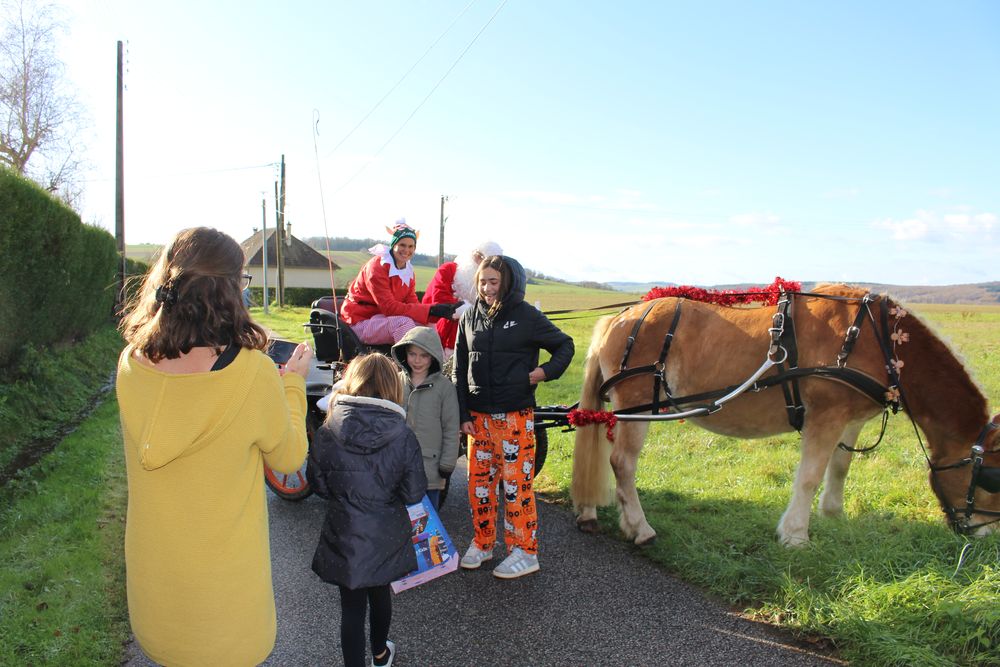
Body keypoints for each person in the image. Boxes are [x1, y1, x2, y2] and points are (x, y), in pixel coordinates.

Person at [116, 227, 313, 666]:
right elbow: (289, 457)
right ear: (228, 291)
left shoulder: (130, 363)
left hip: (156, 597)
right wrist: (294, 384)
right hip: (227, 612)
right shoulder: (254, 374)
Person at [454, 255, 574, 579]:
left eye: (494, 282)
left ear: (509, 284)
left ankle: (525, 551)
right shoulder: (468, 318)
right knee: (478, 485)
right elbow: (459, 369)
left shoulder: (527, 317)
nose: (487, 288)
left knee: (515, 488)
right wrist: (463, 413)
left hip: (514, 417)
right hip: (477, 420)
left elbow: (565, 345)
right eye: (483, 281)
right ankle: (483, 543)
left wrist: (544, 372)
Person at [307, 353, 427, 667]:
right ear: (393, 388)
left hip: (344, 531)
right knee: (380, 593)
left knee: (351, 606)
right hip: (386, 533)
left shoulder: (328, 428)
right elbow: (414, 493)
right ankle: (380, 653)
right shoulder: (403, 435)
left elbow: (317, 484)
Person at [340, 219, 460, 344]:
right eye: (402, 245)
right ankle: (406, 363)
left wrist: (435, 312)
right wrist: (431, 310)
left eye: (411, 246)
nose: (406, 250)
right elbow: (389, 308)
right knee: (403, 324)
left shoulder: (408, 272)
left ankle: (432, 361)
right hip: (358, 321)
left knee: (426, 326)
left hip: (382, 319)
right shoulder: (377, 267)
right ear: (394, 245)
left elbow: (412, 302)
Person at [391, 326, 461, 510]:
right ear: (405, 353)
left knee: (428, 525)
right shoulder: (396, 382)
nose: (417, 360)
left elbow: (451, 428)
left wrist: (447, 463)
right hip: (398, 467)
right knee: (398, 522)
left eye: (424, 356)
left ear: (433, 357)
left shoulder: (444, 388)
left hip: (430, 468)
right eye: (413, 354)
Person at [421, 240, 503, 358]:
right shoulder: (449, 270)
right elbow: (439, 300)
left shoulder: (490, 284)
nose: (479, 262)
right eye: (478, 256)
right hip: (437, 330)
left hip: (472, 336)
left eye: (487, 261)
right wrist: (471, 311)